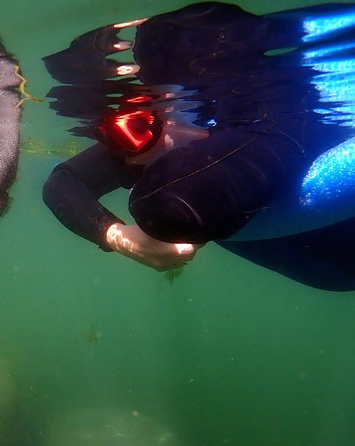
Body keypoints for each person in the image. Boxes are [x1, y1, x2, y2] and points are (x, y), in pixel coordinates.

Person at [43, 2, 355, 290]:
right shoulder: (140, 152)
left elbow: (174, 207)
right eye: (114, 135)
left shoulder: (260, 120)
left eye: (140, 126)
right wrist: (118, 237)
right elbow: (60, 185)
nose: (128, 152)